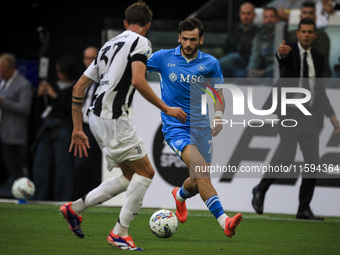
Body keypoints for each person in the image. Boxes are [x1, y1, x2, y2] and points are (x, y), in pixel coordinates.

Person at [59, 2, 186, 251]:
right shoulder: (141, 42)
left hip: (95, 117)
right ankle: (119, 233)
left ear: (125, 23)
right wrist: (167, 108)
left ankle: (73, 209)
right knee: (147, 172)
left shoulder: (107, 45)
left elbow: (78, 88)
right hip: (114, 117)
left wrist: (77, 128)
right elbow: (139, 80)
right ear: (147, 25)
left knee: (130, 176)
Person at [147, 18, 242, 238]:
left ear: (201, 39)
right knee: (202, 172)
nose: (188, 44)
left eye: (193, 39)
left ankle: (180, 195)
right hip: (176, 127)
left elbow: (218, 95)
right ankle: (225, 222)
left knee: (199, 181)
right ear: (179, 38)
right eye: (185, 39)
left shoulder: (210, 63)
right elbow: (136, 68)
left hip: (201, 128)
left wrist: (218, 116)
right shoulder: (163, 58)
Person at [252, 18, 340, 220]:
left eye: (310, 32)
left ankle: (303, 209)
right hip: (289, 113)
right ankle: (261, 188)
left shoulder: (318, 57)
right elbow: (281, 57)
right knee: (286, 157)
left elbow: (319, 90)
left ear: (314, 35)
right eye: (303, 31)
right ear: (298, 34)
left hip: (309, 116)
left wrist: (332, 116)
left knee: (312, 163)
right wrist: (280, 53)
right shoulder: (289, 50)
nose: (307, 35)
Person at [32, 55, 78, 201]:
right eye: (57, 71)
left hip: (63, 129)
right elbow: (39, 111)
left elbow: (70, 109)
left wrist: (54, 95)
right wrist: (40, 96)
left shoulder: (76, 87)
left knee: (62, 167)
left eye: (62, 72)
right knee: (41, 165)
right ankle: (40, 197)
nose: (58, 75)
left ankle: (62, 199)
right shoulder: (53, 84)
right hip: (47, 128)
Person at [72, 46, 102, 199]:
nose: (90, 61)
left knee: (100, 166)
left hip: (102, 127)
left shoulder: (106, 77)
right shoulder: (82, 79)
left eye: (93, 58)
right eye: (87, 58)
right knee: (80, 165)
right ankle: (77, 199)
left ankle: (94, 198)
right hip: (84, 127)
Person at [0, 53, 33, 187]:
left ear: (12, 69)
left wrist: (3, 102)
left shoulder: (24, 84)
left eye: (3, 71)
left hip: (12, 132)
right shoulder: (1, 81)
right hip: (1, 129)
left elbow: (25, 109)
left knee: (14, 166)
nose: (1, 74)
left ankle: (21, 193)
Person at [286, 1, 332, 77]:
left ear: (315, 15)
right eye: (305, 13)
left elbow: (321, 58)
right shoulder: (291, 34)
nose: (308, 15)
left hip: (319, 74)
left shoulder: (322, 35)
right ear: (300, 15)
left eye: (311, 13)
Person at [219, 2, 258, 78]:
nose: (245, 16)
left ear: (254, 15)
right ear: (240, 15)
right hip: (232, 66)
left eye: (248, 13)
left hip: (249, 66)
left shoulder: (258, 32)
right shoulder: (235, 31)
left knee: (235, 57)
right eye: (243, 13)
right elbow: (225, 49)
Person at [247, 7, 279, 78]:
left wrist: (264, 72)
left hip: (276, 70)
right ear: (263, 20)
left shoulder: (282, 35)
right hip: (262, 69)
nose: (268, 20)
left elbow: (280, 62)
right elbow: (255, 57)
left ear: (277, 19)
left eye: (271, 17)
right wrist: (251, 70)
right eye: (266, 17)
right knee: (243, 75)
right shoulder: (259, 37)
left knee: (269, 77)